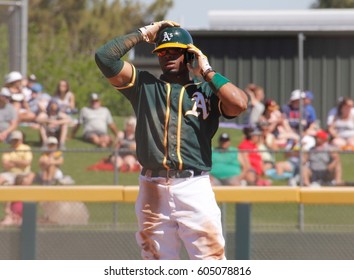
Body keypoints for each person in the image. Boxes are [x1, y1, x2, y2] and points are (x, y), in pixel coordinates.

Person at [95, 21, 248, 260]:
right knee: (156, 264)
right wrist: (144, 33)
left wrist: (207, 72)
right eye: (162, 51)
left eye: (174, 51)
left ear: (189, 55)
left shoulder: (207, 92)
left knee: (211, 264)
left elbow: (239, 103)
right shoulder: (144, 85)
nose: (167, 55)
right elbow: (104, 57)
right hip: (152, 186)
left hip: (193, 186)